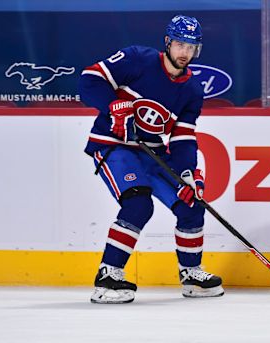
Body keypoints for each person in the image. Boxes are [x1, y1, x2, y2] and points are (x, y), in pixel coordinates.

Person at [79, 14, 224, 304]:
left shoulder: (192, 90)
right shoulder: (137, 59)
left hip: (152, 153)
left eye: (191, 47)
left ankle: (191, 274)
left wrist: (187, 174)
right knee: (138, 203)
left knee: (191, 204)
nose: (185, 52)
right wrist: (112, 106)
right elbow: (89, 80)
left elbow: (183, 137)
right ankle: (108, 276)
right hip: (114, 146)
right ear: (168, 42)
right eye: (180, 44)